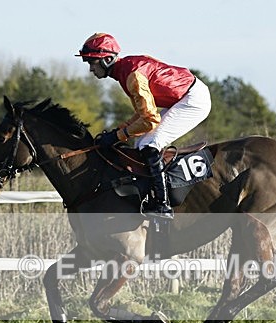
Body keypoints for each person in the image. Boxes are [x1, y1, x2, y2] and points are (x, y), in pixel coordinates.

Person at [76, 33, 211, 219]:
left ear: (107, 59)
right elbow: (142, 114)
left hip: (193, 100)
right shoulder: (126, 70)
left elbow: (149, 120)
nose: (91, 69)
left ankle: (163, 205)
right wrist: (119, 130)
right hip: (184, 96)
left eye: (92, 62)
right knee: (141, 143)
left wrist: (118, 136)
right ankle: (152, 195)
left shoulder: (132, 76)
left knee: (149, 144)